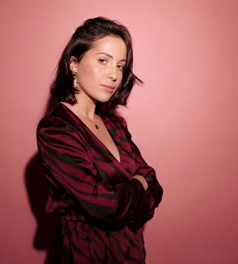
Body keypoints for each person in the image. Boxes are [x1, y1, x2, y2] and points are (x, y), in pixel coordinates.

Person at [36, 17, 163, 263]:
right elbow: (107, 207)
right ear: (74, 63)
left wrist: (130, 193)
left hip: (130, 252)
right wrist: (138, 185)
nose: (114, 75)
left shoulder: (115, 124)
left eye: (120, 66)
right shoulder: (55, 130)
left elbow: (154, 185)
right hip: (87, 252)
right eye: (103, 60)